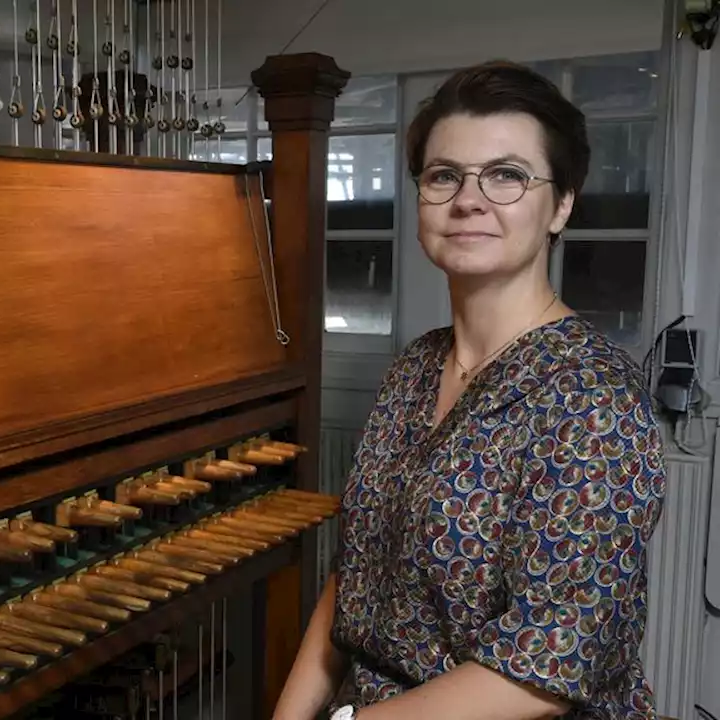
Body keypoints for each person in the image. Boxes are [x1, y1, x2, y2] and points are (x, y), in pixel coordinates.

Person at [271, 61, 667, 720]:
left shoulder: (593, 398)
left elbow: (539, 674)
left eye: (507, 175)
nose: (469, 199)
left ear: (561, 204)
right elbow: (355, 576)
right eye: (444, 175)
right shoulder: (415, 368)